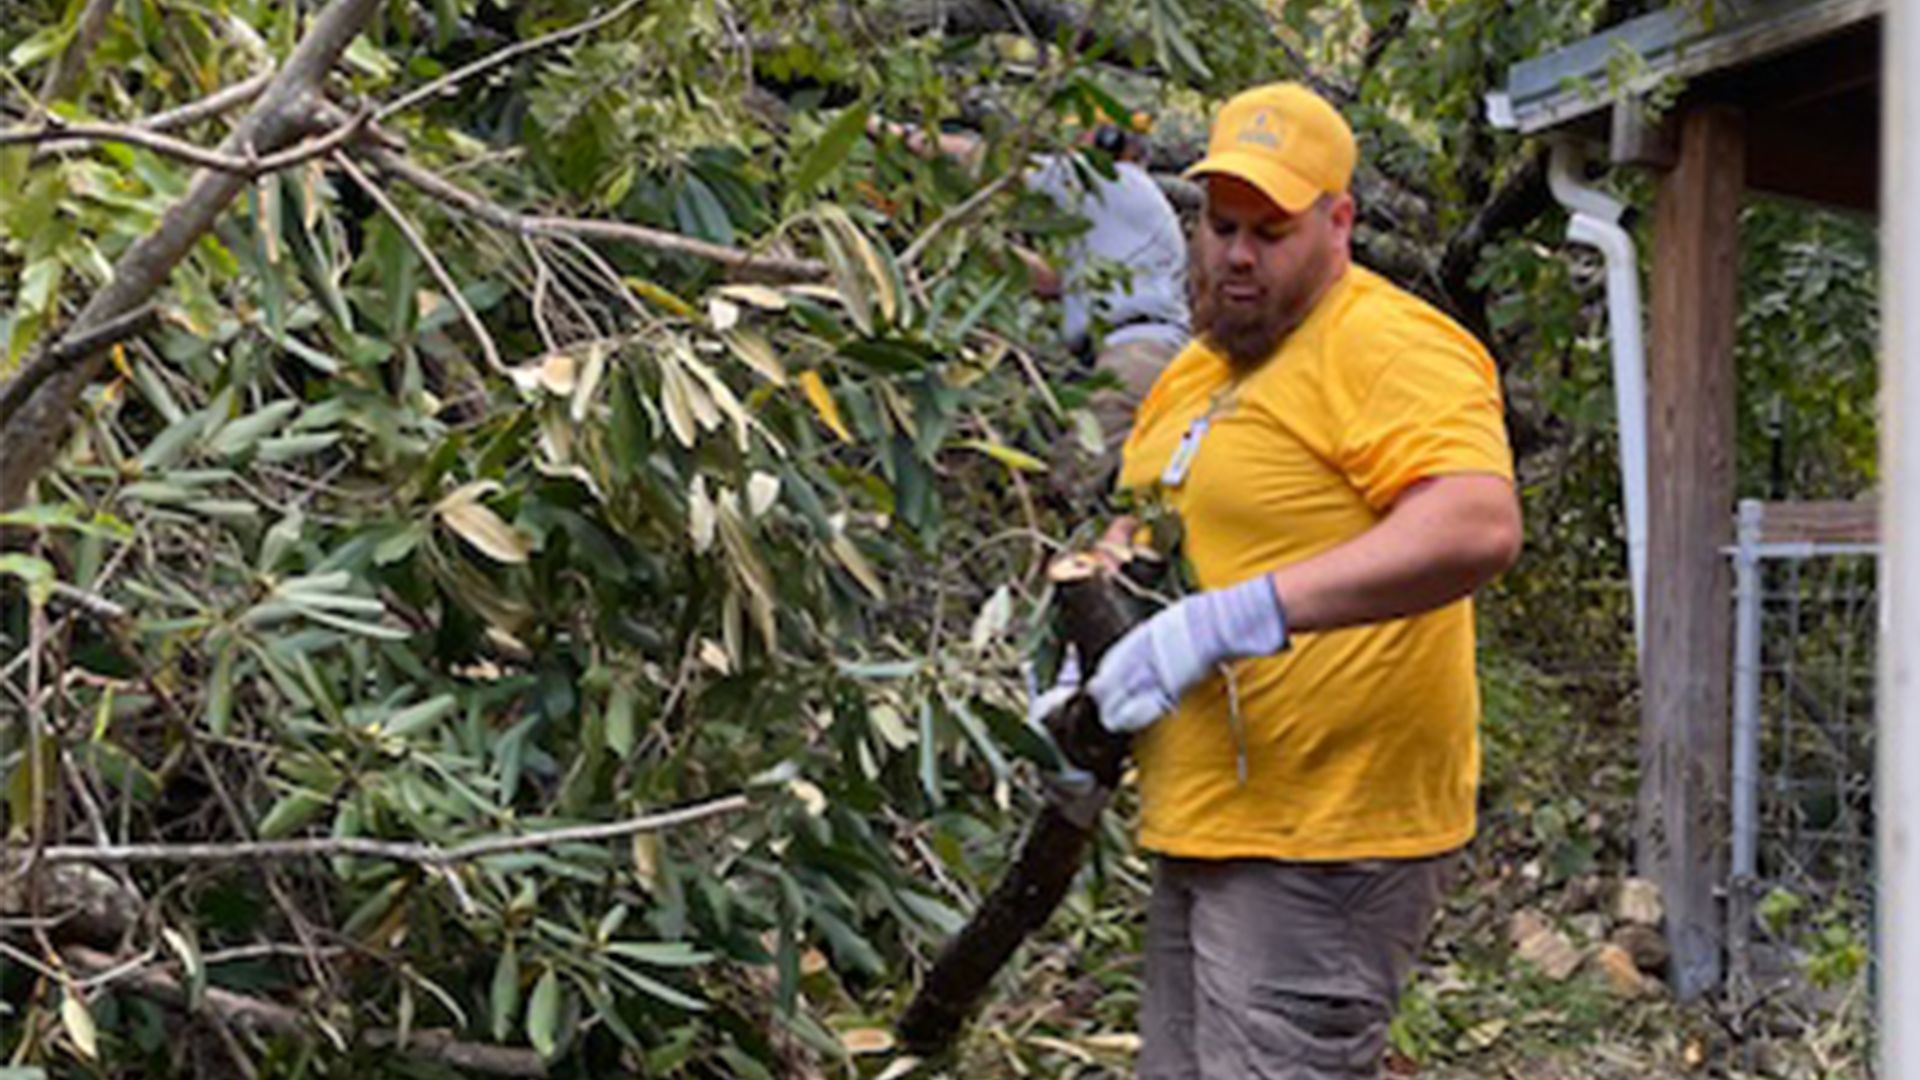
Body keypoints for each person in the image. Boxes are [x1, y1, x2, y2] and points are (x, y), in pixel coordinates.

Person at [1074, 82, 1522, 1079]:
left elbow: (1477, 522)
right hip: (1210, 818)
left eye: (1270, 230)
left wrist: (1241, 616)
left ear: (1340, 220)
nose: (1236, 253)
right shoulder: (1202, 367)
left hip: (1326, 838)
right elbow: (1141, 526)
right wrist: (1077, 657)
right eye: (1221, 226)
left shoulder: (1387, 345)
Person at [870, 110, 1189, 450]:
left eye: (1084, 133)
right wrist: (968, 237)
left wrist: (884, 129)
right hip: (1134, 352)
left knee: (1081, 474)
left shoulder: (1109, 179)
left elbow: (987, 163)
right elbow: (1052, 281)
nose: (1072, 143)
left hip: (1133, 355)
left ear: (1108, 140)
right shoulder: (1117, 209)